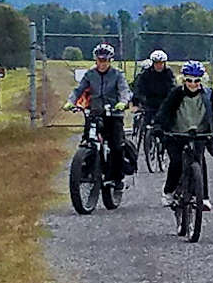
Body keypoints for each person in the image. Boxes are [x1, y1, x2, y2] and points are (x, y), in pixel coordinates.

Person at [154, 61, 213, 211]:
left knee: (200, 162)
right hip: (176, 134)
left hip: (200, 134)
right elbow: (164, 111)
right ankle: (169, 191)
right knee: (176, 162)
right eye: (189, 80)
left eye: (197, 81)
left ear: (202, 81)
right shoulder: (176, 94)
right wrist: (158, 126)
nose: (193, 84)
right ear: (183, 80)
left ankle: (203, 197)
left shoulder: (208, 95)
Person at [63, 42, 132, 191]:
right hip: (94, 113)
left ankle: (117, 178)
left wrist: (122, 102)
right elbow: (78, 90)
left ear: (110, 60)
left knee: (116, 146)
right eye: (100, 60)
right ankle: (87, 170)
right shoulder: (90, 74)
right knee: (87, 140)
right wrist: (70, 102)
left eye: (105, 60)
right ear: (96, 60)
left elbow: (124, 90)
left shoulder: (117, 75)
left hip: (113, 114)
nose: (102, 64)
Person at [133, 50, 175, 122]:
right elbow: (138, 89)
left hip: (164, 103)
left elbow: (172, 88)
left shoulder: (168, 73)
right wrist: (138, 102)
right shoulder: (146, 74)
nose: (159, 66)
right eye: (156, 63)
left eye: (161, 63)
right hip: (149, 103)